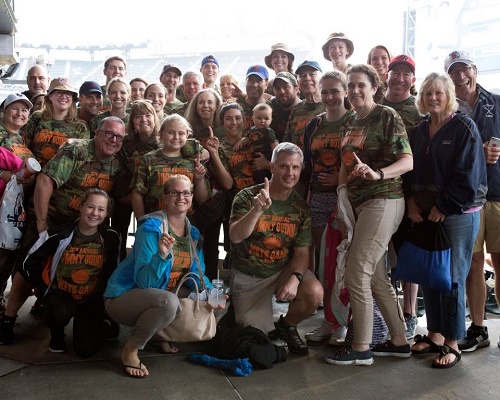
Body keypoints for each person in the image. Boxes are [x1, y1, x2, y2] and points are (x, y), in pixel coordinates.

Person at [0, 117, 126, 346]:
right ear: (96, 133)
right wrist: (41, 222)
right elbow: (46, 181)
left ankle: (85, 315)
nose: (113, 139)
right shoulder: (76, 149)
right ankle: (8, 320)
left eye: (118, 137)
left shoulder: (118, 163)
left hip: (87, 223)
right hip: (55, 216)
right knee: (28, 266)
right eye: (108, 133)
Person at [326, 64, 413, 366]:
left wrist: (378, 174)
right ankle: (400, 341)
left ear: (374, 88)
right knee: (375, 277)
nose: (354, 91)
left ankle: (361, 347)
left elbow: (407, 160)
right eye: (350, 85)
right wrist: (340, 200)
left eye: (361, 85)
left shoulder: (387, 116)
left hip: (384, 200)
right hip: (357, 204)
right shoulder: (349, 121)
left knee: (356, 272)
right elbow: (344, 163)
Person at [407, 72, 487, 368]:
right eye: (428, 93)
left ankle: (453, 342)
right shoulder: (419, 129)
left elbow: (468, 174)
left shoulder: (464, 126)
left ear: (449, 95)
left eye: (439, 92)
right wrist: (411, 202)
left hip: (457, 214)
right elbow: (408, 169)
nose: (433, 98)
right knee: (431, 274)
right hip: (425, 212)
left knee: (452, 277)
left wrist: (443, 205)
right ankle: (435, 334)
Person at [104, 174, 217, 378]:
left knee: (199, 296)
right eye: (174, 192)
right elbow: (144, 282)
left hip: (158, 295)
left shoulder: (193, 233)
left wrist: (211, 293)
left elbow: (197, 272)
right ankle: (131, 349)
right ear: (164, 198)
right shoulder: (150, 229)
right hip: (124, 297)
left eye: (186, 193)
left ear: (192, 197)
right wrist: (161, 256)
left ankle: (158, 335)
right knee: (169, 302)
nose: (181, 197)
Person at [228, 142, 324, 355]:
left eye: (295, 167)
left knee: (314, 292)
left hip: (281, 269)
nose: (290, 172)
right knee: (254, 334)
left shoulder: (300, 208)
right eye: (283, 166)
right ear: (272, 167)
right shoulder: (247, 196)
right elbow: (235, 237)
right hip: (249, 275)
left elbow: (302, 253)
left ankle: (287, 326)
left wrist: (295, 278)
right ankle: (239, 310)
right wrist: (255, 211)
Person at [444, 50, 500, 352]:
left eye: (463, 69)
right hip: (469, 199)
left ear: (474, 70)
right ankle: (478, 328)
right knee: (473, 263)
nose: (459, 76)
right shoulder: (449, 112)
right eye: (453, 72)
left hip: (499, 193)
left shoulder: (497, 102)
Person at [22, 189, 120, 356]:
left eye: (101, 209)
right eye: (90, 207)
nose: (95, 213)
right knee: (58, 311)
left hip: (91, 298)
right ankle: (57, 334)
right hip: (62, 296)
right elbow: (27, 262)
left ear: (106, 213)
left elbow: (116, 270)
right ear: (80, 207)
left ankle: (105, 324)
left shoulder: (111, 237)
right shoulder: (59, 233)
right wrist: (45, 288)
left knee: (85, 351)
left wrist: (106, 299)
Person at [301, 71, 354, 344]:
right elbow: (307, 166)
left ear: (345, 92)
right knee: (326, 264)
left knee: (345, 263)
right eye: (325, 92)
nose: (330, 97)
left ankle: (345, 323)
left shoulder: (354, 121)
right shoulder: (314, 124)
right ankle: (329, 321)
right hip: (319, 200)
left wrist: (341, 179)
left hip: (347, 199)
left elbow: (363, 161)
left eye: (335, 91)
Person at [382, 54, 422, 341]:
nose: (400, 78)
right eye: (395, 72)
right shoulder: (375, 105)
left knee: (407, 254)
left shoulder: (419, 110)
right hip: (375, 189)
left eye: (406, 73)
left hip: (409, 189)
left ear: (413, 79)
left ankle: (408, 315)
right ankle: (378, 315)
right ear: (386, 74)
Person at [130, 114, 209, 220]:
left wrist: (199, 180)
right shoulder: (148, 159)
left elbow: (202, 199)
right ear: (161, 134)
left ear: (187, 135)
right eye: (171, 132)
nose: (176, 137)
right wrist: (141, 222)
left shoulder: (193, 160)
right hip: (154, 222)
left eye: (181, 133)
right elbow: (137, 194)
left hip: (185, 224)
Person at [0, 93, 37, 315]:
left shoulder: (20, 136)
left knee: (7, 253)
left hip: (15, 204)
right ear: (4, 110)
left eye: (24, 110)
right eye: (15, 108)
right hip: (2, 203)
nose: (20, 113)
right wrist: (4, 173)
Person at [113, 100, 161, 261]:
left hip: (152, 199)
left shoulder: (163, 142)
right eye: (138, 116)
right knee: (118, 234)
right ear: (132, 121)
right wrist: (125, 197)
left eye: (148, 115)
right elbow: (118, 171)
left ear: (155, 118)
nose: (143, 120)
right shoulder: (125, 143)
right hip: (126, 197)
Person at [24, 77, 89, 168]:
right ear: (50, 96)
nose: (63, 97)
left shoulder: (81, 126)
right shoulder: (37, 117)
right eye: (58, 93)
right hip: (32, 169)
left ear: (73, 98)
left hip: (60, 177)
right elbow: (24, 144)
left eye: (67, 93)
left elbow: (80, 160)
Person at [284, 60, 325, 198]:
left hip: (324, 174)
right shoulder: (297, 110)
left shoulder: (331, 105)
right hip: (297, 173)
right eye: (302, 75)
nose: (307, 78)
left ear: (321, 77)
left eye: (312, 74)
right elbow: (287, 142)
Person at [234, 103, 278, 184]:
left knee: (262, 177)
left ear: (271, 120)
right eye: (259, 118)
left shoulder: (268, 131)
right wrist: (240, 142)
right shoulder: (252, 129)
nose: (262, 121)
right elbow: (247, 138)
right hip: (254, 158)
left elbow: (275, 145)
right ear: (253, 119)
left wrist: (275, 159)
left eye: (266, 118)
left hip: (265, 157)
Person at [237, 65, 271, 133]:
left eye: (259, 81)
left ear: (266, 84)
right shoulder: (236, 108)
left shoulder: (272, 108)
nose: (254, 85)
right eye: (251, 80)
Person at [269, 71, 301, 142]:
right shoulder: (273, 105)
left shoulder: (304, 110)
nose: (282, 91)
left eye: (286, 87)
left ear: (296, 89)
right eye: (278, 88)